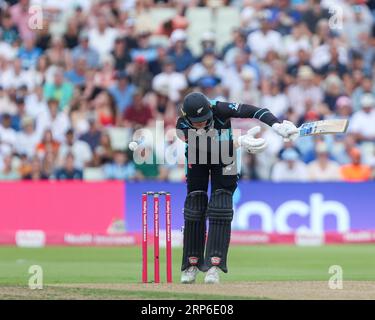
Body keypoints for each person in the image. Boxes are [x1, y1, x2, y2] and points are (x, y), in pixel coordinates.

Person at [175, 92, 298, 284]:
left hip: (226, 159)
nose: (201, 124)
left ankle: (214, 267)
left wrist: (276, 125)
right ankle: (192, 264)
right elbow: (206, 147)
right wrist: (239, 142)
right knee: (195, 206)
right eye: (196, 122)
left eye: (204, 120)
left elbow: (253, 110)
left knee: (221, 206)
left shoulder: (219, 108)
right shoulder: (181, 126)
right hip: (198, 157)